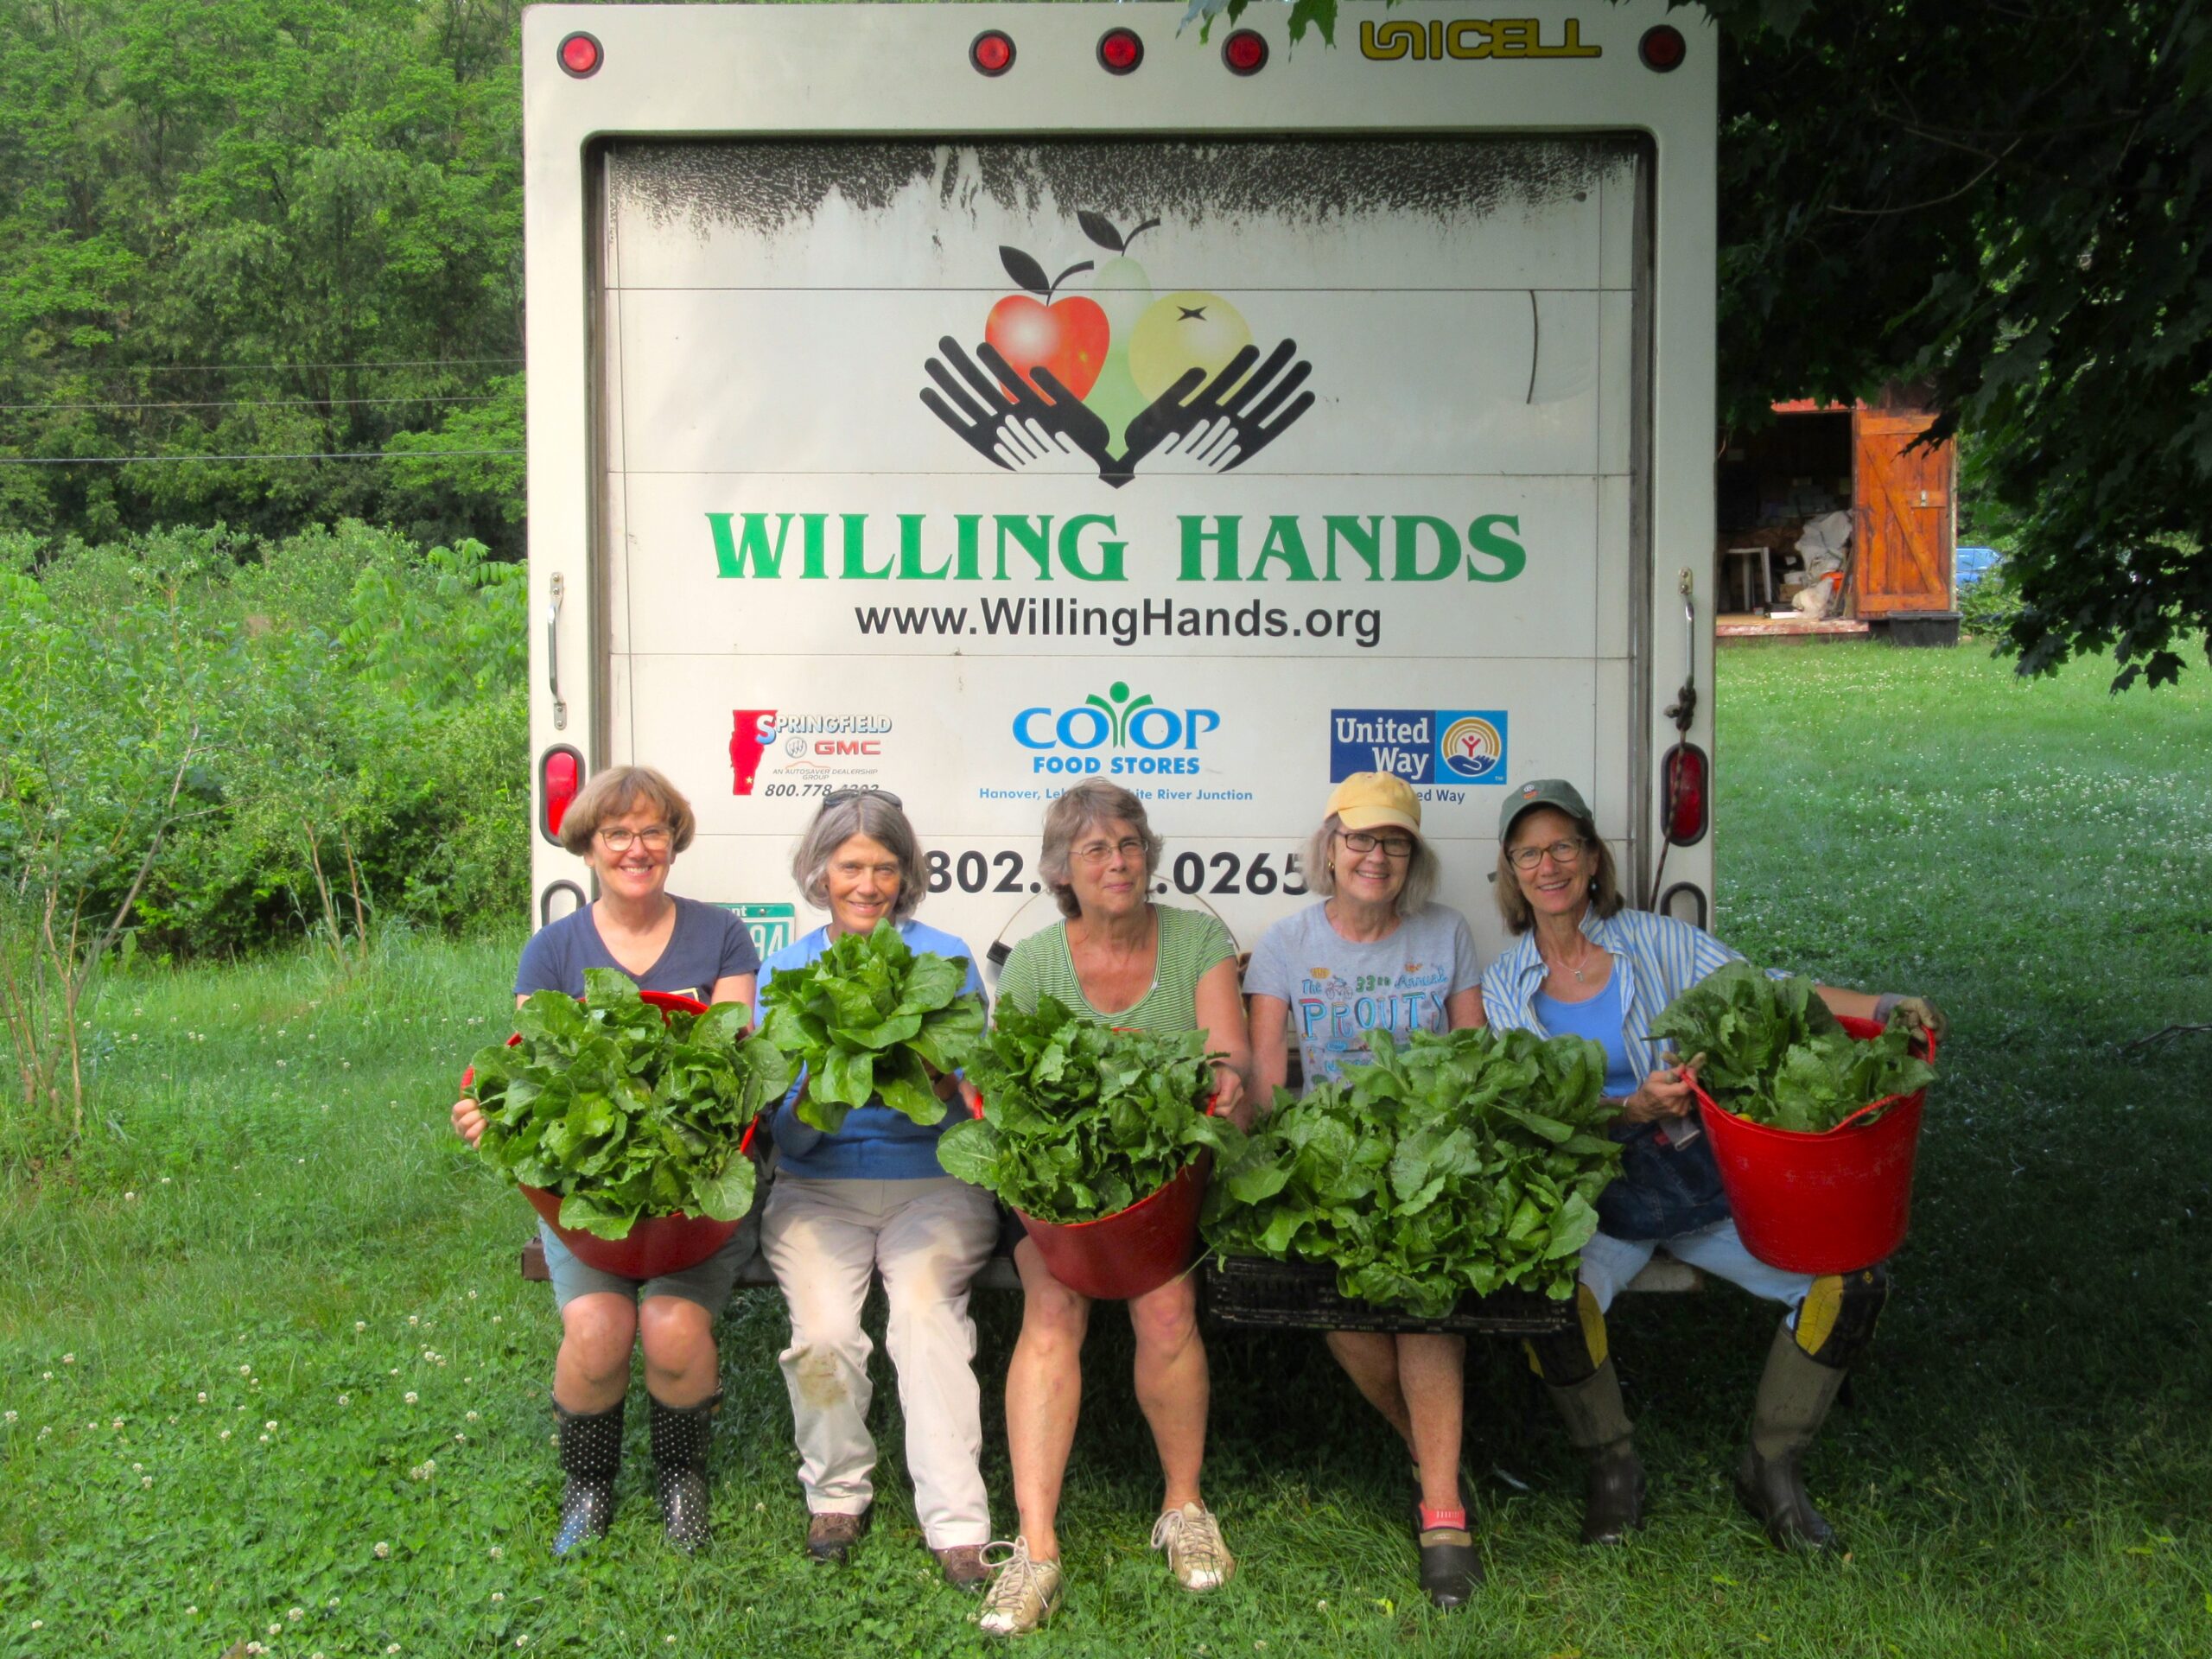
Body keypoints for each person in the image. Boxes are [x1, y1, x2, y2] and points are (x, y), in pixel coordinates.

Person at [1479, 779, 1944, 1552]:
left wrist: (1881, 1003)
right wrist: (1627, 1111)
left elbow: (1765, 994)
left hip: (1699, 1181)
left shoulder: (1656, 940)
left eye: (1564, 845)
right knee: (1551, 1305)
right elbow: (1532, 1113)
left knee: (1850, 1283)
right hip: (1596, 1197)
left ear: (1593, 858)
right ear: (1511, 871)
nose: (1548, 864)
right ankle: (1612, 1470)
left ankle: (1771, 1468)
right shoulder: (1506, 985)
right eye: (1529, 852)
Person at [451, 766, 761, 1555]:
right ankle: (587, 1490)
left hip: (696, 1195)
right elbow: (535, 1077)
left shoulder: (722, 935)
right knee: (596, 1331)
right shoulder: (553, 951)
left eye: (653, 831)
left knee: (671, 1328)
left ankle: (680, 1482)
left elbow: (731, 1077)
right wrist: (491, 1116)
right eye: (616, 834)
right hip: (590, 1200)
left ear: (674, 842)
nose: (636, 848)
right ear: (587, 847)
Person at [975, 780, 1254, 1637]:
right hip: (1059, 1196)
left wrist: (1209, 1093)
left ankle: (1183, 1507)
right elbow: (1004, 1097)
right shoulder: (1033, 962)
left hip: (1164, 1184)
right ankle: (1035, 1549)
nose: (1118, 862)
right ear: (1063, 868)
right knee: (1052, 1306)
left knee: (1166, 1306)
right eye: (1095, 850)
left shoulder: (1199, 938)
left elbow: (1229, 1069)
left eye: (1130, 844)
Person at [1243, 772, 1487, 1609]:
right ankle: (1434, 1450)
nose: (1373, 856)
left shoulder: (1447, 933)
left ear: (1411, 858)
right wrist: (1284, 1173)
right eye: (1358, 839)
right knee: (1348, 1321)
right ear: (1330, 847)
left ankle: (1443, 1514)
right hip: (1329, 1165)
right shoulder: (1285, 943)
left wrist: (1439, 1153)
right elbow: (1268, 1086)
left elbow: (1472, 1061)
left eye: (1392, 843)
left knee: (1420, 1311)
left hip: (1426, 1156)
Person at [754, 791, 1001, 1590]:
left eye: (885, 868)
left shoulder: (945, 958)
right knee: (823, 1334)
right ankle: (835, 1493)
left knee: (926, 1324)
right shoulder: (789, 967)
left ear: (906, 875)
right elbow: (784, 1136)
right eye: (850, 866)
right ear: (820, 871)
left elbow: (975, 1106)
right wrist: (823, 1093)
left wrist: (933, 1078)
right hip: (817, 1191)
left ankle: (958, 1523)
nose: (867, 884)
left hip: (935, 1187)